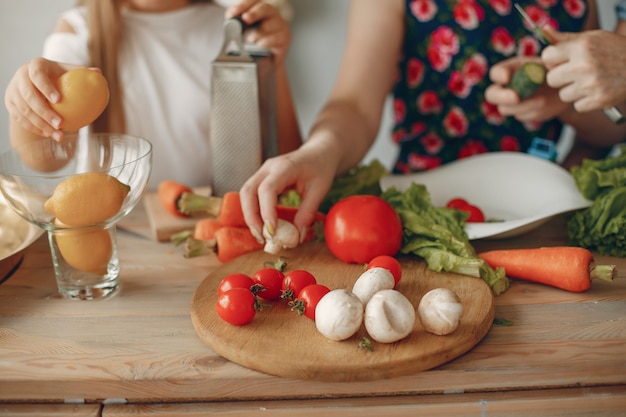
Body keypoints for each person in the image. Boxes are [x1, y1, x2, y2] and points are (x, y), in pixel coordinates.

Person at [239, 0, 626, 245]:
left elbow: (610, 126)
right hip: (419, 217)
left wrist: (561, 104)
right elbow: (354, 105)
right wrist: (319, 151)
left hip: (538, 220)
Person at [4, 0, 301, 189]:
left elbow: (287, 159)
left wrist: (275, 63)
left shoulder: (234, 28)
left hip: (212, 226)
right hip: (118, 237)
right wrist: (26, 100)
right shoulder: (80, 28)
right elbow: (44, 161)